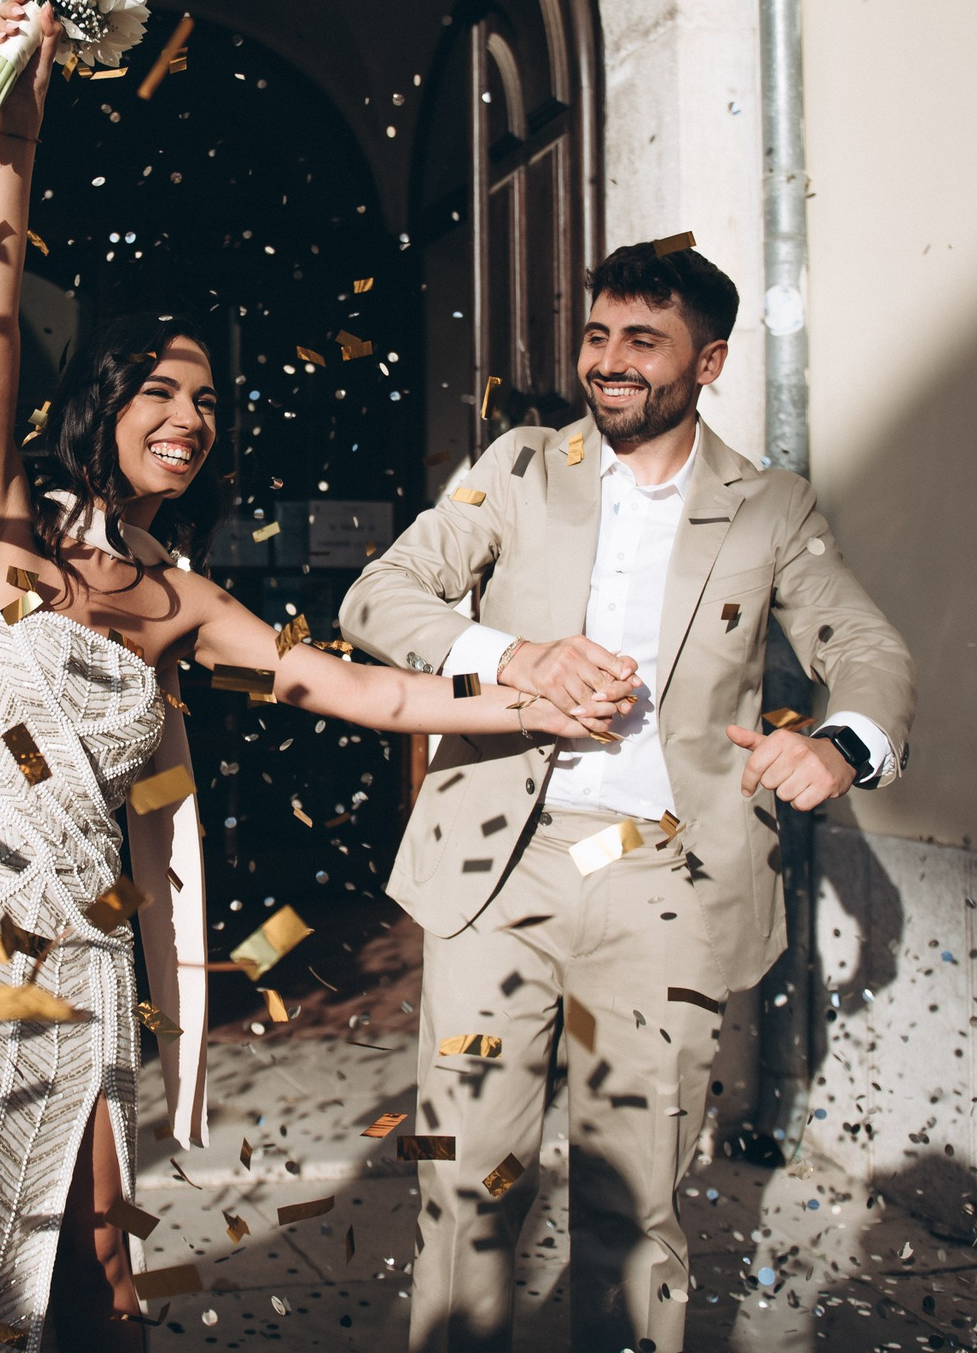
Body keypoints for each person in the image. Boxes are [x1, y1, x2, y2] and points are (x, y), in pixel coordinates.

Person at [0, 0, 613, 1353]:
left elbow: (360, 689)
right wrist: (20, 101)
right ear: (102, 408)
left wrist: (526, 696)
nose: (186, 422)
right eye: (159, 396)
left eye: (204, 405)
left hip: (80, 945)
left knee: (101, 1277)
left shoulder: (187, 601)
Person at [339, 241, 914, 1353]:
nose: (606, 361)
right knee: (464, 1183)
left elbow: (864, 642)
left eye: (639, 341)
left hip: (668, 880)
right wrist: (514, 656)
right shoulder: (513, 466)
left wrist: (841, 744)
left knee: (633, 1204)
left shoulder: (772, 506)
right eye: (596, 334)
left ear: (708, 362)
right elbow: (382, 595)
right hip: (498, 871)